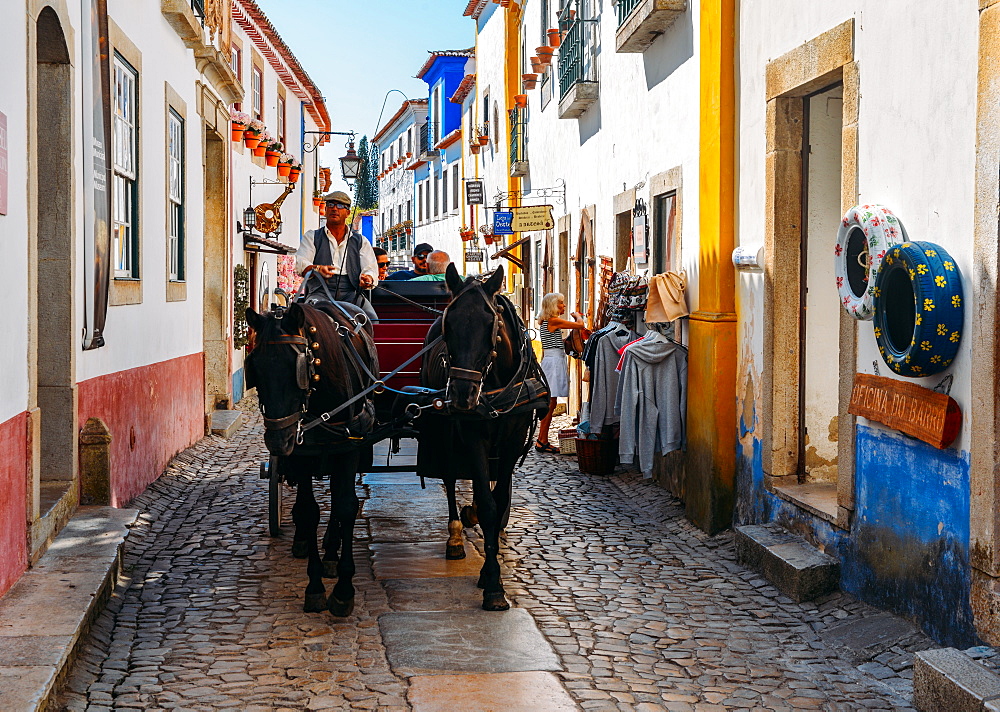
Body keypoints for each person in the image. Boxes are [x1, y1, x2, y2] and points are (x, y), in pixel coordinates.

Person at [295, 191, 378, 320]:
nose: (334, 208)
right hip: (320, 291)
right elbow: (301, 263)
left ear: (348, 213)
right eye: (331, 204)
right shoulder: (312, 237)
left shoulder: (361, 241)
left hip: (351, 293)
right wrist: (317, 269)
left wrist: (368, 279)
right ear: (326, 209)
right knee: (307, 319)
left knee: (372, 319)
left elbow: (371, 268)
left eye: (340, 206)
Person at [535, 292, 589, 453]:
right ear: (553, 305)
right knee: (550, 403)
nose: (563, 306)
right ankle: (541, 440)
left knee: (551, 403)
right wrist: (577, 316)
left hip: (554, 360)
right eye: (561, 303)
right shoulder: (553, 321)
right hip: (554, 362)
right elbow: (581, 325)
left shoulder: (548, 321)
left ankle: (542, 439)